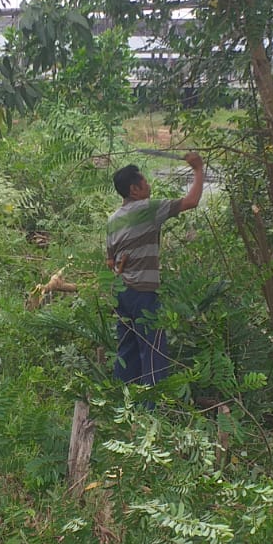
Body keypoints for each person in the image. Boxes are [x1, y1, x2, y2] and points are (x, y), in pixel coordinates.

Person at [104, 153, 205, 386]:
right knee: (153, 351)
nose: (149, 185)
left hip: (122, 293)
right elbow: (191, 201)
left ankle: (122, 401)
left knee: (127, 351)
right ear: (135, 189)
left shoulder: (113, 220)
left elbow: (110, 262)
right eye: (145, 182)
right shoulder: (147, 209)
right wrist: (198, 170)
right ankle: (152, 409)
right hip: (143, 294)